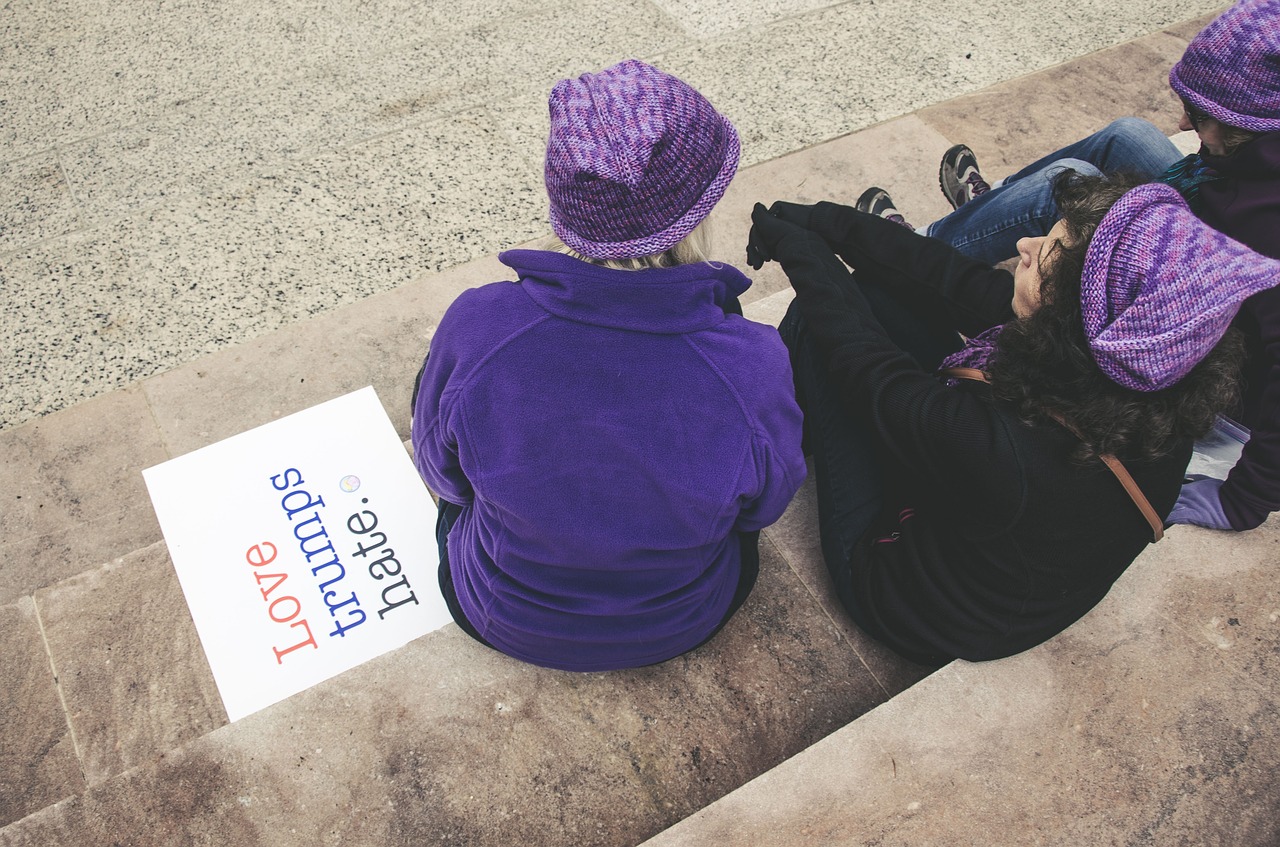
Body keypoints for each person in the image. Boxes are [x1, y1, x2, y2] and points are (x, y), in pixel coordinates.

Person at [746, 173, 1273, 665]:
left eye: (1049, 253)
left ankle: (767, 432)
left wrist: (802, 252)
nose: (1025, 247)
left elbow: (870, 374)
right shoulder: (1143, 374)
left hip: (911, 603)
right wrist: (821, 222)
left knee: (821, 328)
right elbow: (949, 280)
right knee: (882, 291)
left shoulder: (1007, 448)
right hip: (1008, 537)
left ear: (1072, 311)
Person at [411, 59, 806, 672]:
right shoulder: (753, 364)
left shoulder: (479, 322)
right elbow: (763, 508)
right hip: (679, 620)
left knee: (442, 392)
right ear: (701, 210)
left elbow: (444, 478)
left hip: (498, 611)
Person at [861, 0, 1280, 533]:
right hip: (1215, 220)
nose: (1181, 123)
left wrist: (1244, 501)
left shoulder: (1268, 228)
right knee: (1127, 137)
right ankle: (960, 227)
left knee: (1071, 181)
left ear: (1254, 126)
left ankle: (920, 247)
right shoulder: (1248, 158)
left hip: (1204, 364)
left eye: (1200, 117)